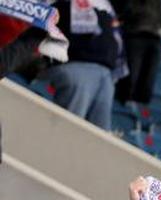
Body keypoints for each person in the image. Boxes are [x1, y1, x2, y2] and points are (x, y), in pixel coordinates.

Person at [46, 0, 123, 129]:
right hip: (78, 67)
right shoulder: (62, 5)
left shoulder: (104, 9)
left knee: (99, 134)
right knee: (69, 128)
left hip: (105, 72)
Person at [114, 0, 161, 105]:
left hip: (154, 36)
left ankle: (139, 106)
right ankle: (123, 103)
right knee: (130, 77)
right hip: (134, 34)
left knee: (148, 82)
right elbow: (124, 12)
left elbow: (160, 16)